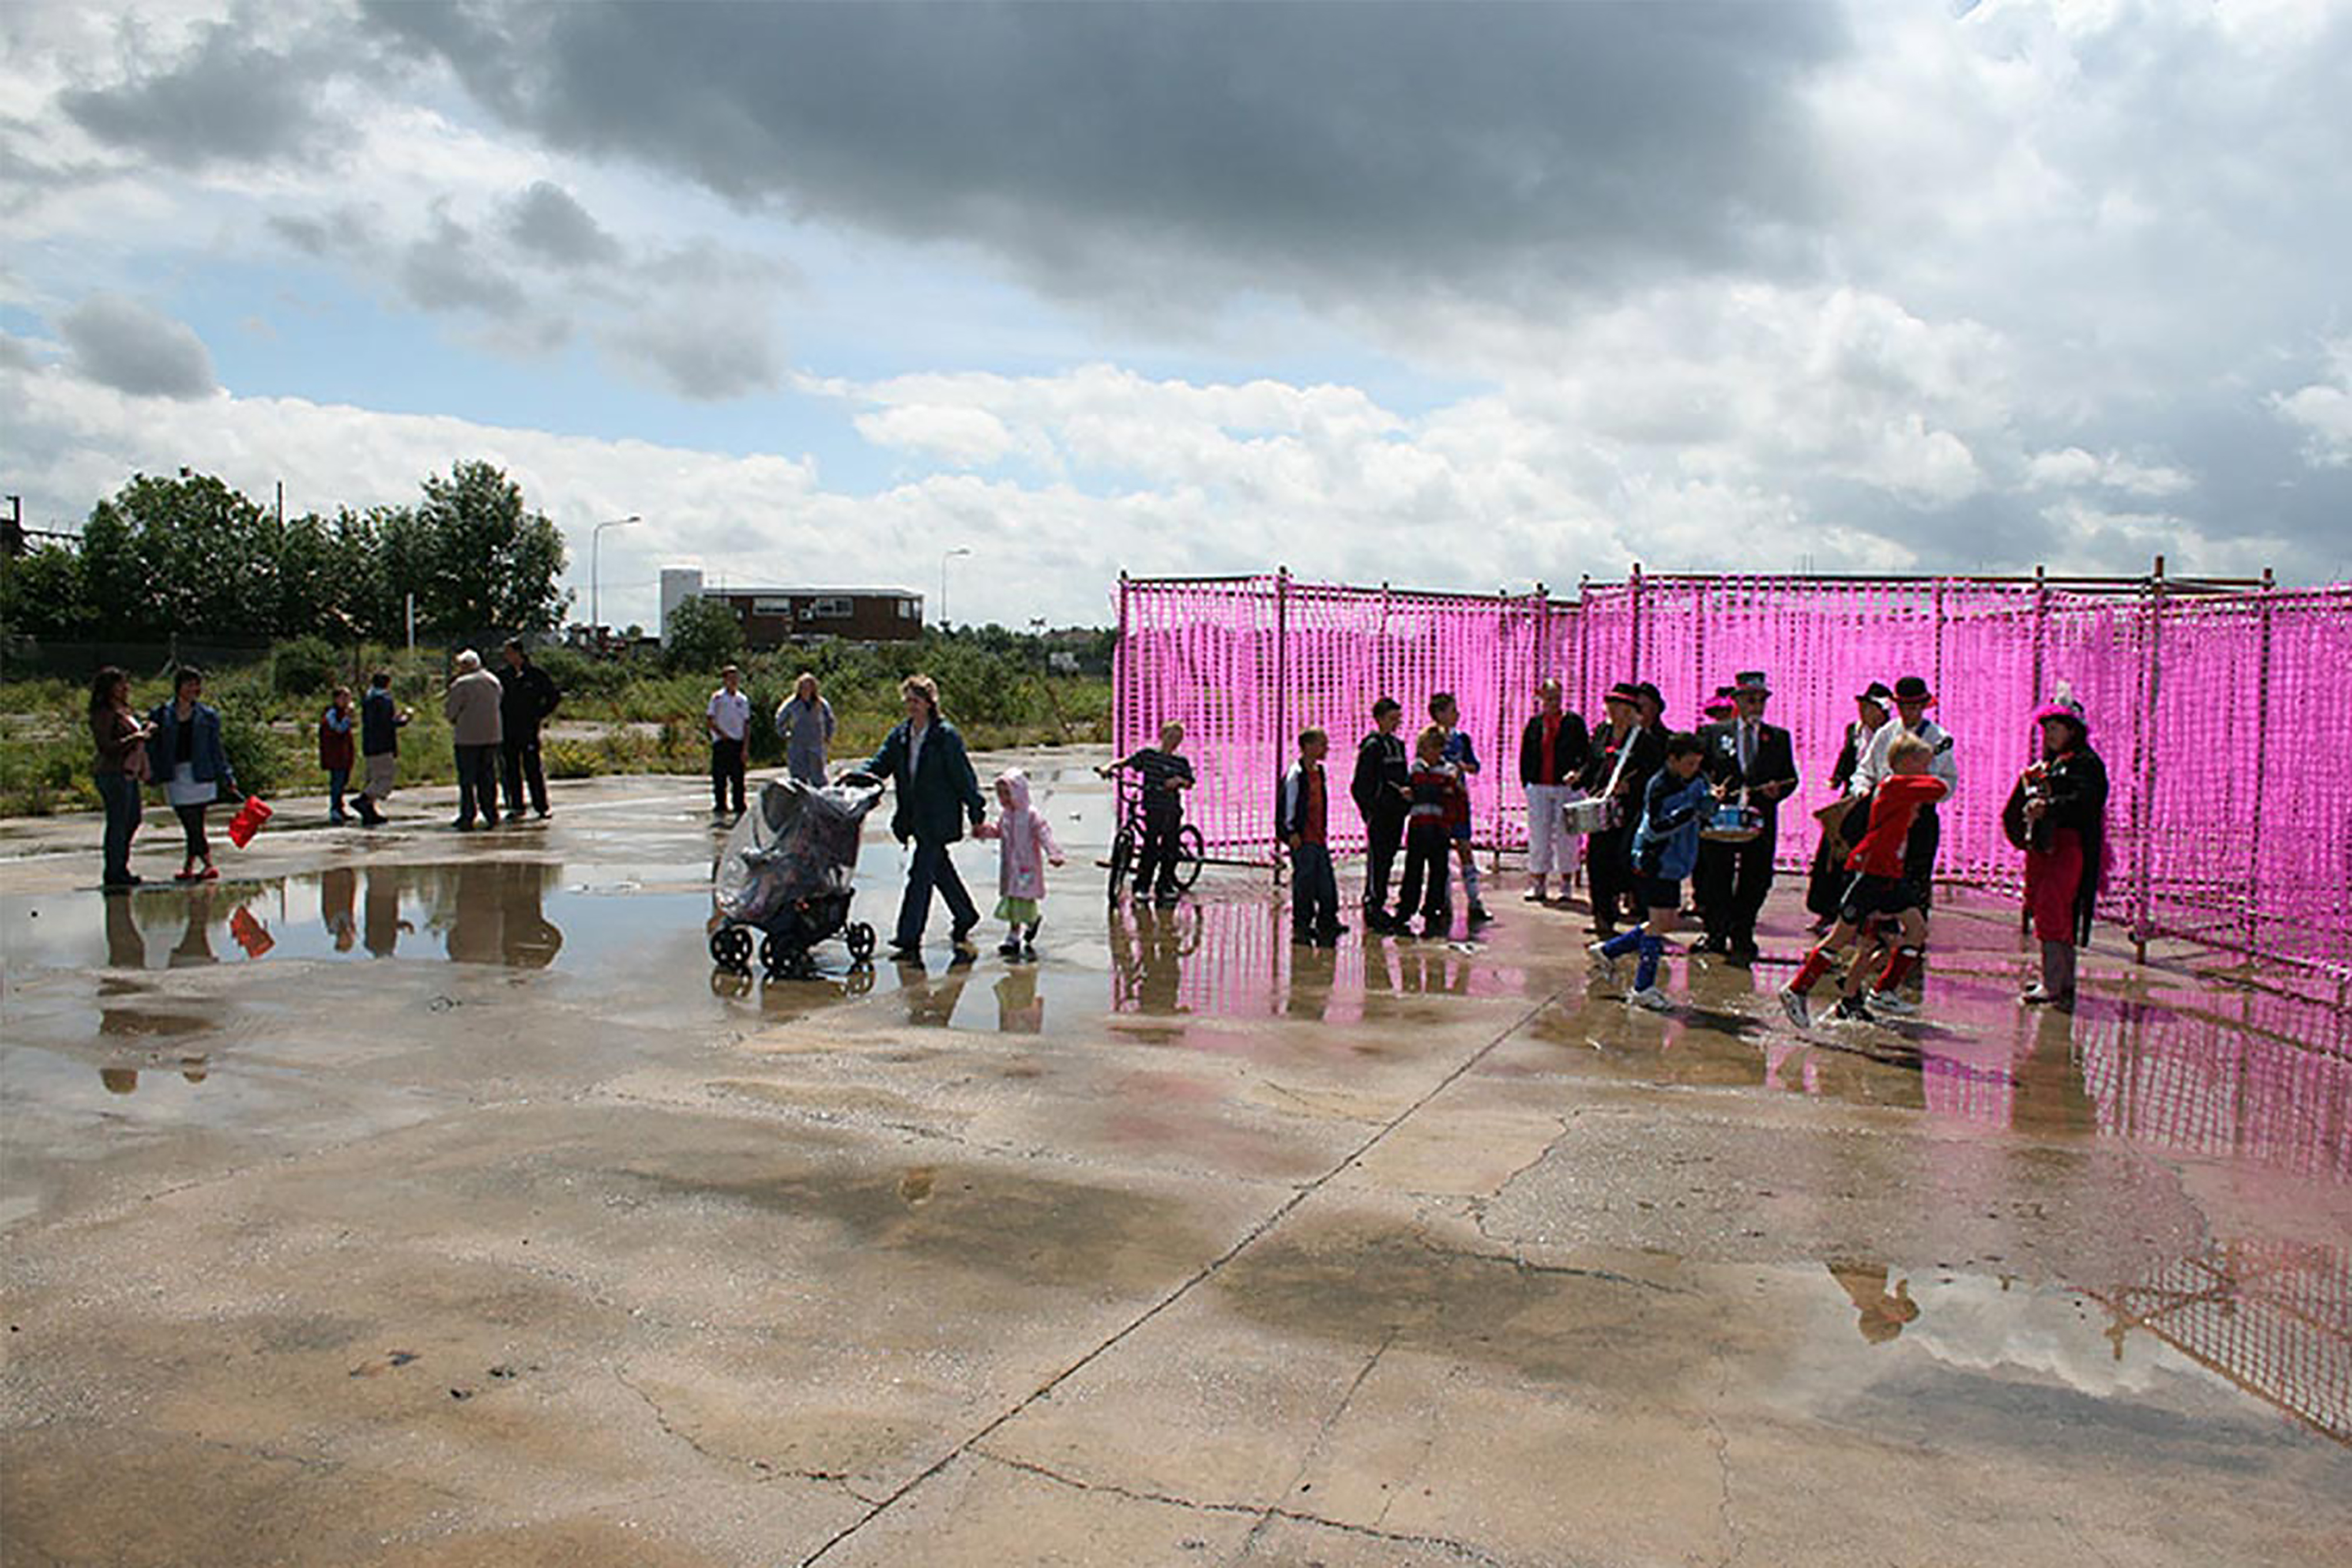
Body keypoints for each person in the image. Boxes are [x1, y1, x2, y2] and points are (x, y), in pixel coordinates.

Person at [1779, 733, 1949, 1029]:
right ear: (1907, 763)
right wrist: (1931, 765)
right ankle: (1797, 989)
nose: (1927, 768)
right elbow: (1939, 788)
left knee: (1912, 931)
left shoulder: (1904, 788)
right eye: (1922, 763)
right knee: (1843, 936)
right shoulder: (1894, 785)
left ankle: (1875, 993)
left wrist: (1927, 759)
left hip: (1890, 873)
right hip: (1869, 871)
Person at [861, 674, 987, 961]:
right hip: (914, 817)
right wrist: (858, 776)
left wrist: (976, 812)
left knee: (920, 874)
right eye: (907, 701)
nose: (911, 707)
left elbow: (964, 778)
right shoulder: (901, 735)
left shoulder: (946, 736)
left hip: (939, 817)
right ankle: (965, 914)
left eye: (916, 701)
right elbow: (880, 763)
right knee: (938, 869)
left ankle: (909, 936)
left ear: (930, 703)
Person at [1587, 732, 1712, 1010]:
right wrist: (1691, 812)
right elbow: (1656, 827)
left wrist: (1710, 806)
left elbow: (1704, 805)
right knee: (1659, 922)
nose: (1694, 769)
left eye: (1697, 763)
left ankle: (1610, 950)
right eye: (1689, 763)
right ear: (1673, 760)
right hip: (1656, 860)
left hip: (1678, 860)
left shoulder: (1698, 779)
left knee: (1666, 921)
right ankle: (1644, 985)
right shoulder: (1659, 786)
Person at [2005, 690, 2107, 1009]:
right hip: (2046, 848)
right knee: (2050, 910)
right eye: (2046, 728)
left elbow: (2087, 803)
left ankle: (2054, 983)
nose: (2049, 734)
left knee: (2054, 910)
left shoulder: (2087, 764)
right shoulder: (2053, 763)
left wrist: (2049, 806)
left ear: (2072, 730)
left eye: (2055, 727)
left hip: (2069, 849)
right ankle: (2061, 981)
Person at [1693, 670, 1798, 965]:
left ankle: (1743, 931)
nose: (1756, 705)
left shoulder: (1777, 738)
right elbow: (1698, 770)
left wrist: (1777, 790)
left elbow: (1791, 778)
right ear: (1737, 702)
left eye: (1760, 700)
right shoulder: (1714, 734)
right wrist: (1709, 789)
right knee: (1716, 876)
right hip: (1722, 819)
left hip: (1758, 820)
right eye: (1750, 700)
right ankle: (1715, 931)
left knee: (1758, 877)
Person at [1805, 682, 1893, 933]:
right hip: (1851, 797)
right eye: (1862, 707)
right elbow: (1848, 757)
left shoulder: (1890, 734)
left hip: (1878, 798)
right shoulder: (1854, 731)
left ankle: (1861, 916)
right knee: (1833, 851)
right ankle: (1826, 910)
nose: (1864, 712)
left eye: (1869, 708)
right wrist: (1837, 777)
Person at [1579, 681, 1665, 940]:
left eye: (1619, 706)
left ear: (1630, 711)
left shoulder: (1644, 740)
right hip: (1602, 809)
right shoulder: (1602, 734)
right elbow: (1592, 763)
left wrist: (1631, 786)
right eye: (1611, 705)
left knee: (1625, 861)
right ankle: (1602, 917)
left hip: (1630, 813)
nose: (1613, 711)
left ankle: (1639, 917)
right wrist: (1581, 777)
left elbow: (1655, 775)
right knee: (1597, 862)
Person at [148, 667, 238, 882]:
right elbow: (154, 746)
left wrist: (227, 775)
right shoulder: (161, 714)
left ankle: (202, 865)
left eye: (196, 685)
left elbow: (216, 748)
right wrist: (151, 771)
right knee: (189, 821)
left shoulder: (208, 716)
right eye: (189, 684)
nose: (194, 689)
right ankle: (197, 865)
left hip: (200, 772)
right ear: (179, 686)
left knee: (195, 822)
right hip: (175, 773)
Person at [973, 767, 1065, 957]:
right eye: (1000, 795)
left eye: (1008, 793)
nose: (1004, 799)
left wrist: (1053, 853)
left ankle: (1032, 922)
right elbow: (999, 831)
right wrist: (984, 831)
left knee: (1025, 899)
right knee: (1012, 900)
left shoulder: (1031, 815)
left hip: (1026, 866)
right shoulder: (1006, 815)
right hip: (1010, 866)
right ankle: (1013, 935)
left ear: (1019, 792)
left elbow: (1044, 834)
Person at [1101, 721, 1194, 906]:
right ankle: (1142, 886)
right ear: (1162, 735)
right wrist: (1109, 767)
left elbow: (1190, 783)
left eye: (1178, 738)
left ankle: (1165, 885)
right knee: (1150, 845)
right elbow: (1126, 762)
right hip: (1152, 805)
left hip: (1171, 807)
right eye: (1170, 737)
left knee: (1169, 846)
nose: (1173, 741)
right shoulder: (1148, 755)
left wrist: (1178, 781)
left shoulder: (1180, 762)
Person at [1519, 678, 1591, 905]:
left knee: (1567, 836)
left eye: (1557, 698)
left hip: (1566, 788)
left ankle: (1566, 882)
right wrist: (1528, 782)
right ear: (1541, 699)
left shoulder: (1574, 723)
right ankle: (1538, 881)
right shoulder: (1534, 724)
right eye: (1549, 698)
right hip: (1539, 786)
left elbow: (1586, 755)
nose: (1553, 702)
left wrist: (1578, 775)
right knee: (1539, 834)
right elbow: (1526, 753)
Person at [1395, 723, 1464, 940]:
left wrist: (1430, 792)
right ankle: (1406, 908)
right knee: (1413, 870)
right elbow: (1421, 791)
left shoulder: (1448, 770)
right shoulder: (1416, 769)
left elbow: (1451, 795)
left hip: (1440, 827)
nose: (1433, 752)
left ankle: (1432, 909)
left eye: (1437, 748)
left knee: (1438, 870)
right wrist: (1431, 791)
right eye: (1428, 748)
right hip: (1418, 826)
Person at [1278, 727, 1345, 947]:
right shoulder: (1296, 774)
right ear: (1308, 746)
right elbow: (1289, 805)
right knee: (1304, 883)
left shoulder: (1319, 772)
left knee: (1326, 882)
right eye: (1322, 744)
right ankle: (1302, 926)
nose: (1326, 748)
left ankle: (1328, 920)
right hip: (1303, 837)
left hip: (1318, 837)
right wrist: (1290, 832)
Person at [1429, 693, 1490, 925]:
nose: (1457, 715)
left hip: (1459, 799)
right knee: (1440, 851)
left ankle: (1475, 901)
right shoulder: (1430, 737)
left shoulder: (1462, 738)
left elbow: (1474, 766)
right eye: (1452, 710)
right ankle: (1442, 902)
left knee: (1465, 848)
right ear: (1439, 714)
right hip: (1439, 802)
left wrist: (1463, 766)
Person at [1351, 698, 1411, 931]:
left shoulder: (1398, 745)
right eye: (1392, 719)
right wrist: (1371, 811)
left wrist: (1406, 800)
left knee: (1388, 858)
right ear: (1379, 719)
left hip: (1396, 814)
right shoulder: (1372, 746)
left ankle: (1380, 904)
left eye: (1398, 718)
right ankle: (1372, 905)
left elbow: (1402, 777)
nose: (1396, 723)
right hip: (1380, 814)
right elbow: (1360, 785)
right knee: (1378, 859)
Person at [89, 665, 152, 891]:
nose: (125, 688)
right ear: (109, 688)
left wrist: (143, 731)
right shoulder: (104, 713)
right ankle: (115, 871)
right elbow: (105, 746)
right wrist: (136, 737)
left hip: (129, 773)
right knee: (118, 822)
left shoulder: (123, 710)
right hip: (112, 773)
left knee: (132, 819)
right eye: (120, 684)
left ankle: (120, 867)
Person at [497, 638, 560, 820]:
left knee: (532, 768)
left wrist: (539, 714)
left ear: (519, 653)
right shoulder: (503, 676)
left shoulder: (536, 675)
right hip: (508, 729)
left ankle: (541, 806)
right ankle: (516, 806)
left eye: (510, 653)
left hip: (528, 729)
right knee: (511, 769)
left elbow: (553, 696)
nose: (507, 657)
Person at [443, 650, 505, 830]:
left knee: (467, 780)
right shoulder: (493, 681)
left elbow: (451, 711)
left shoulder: (461, 685)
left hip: (467, 738)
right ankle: (491, 813)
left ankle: (468, 815)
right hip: (492, 736)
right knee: (488, 777)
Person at [352, 670, 411, 828]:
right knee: (385, 778)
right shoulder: (384, 700)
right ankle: (364, 800)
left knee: (372, 777)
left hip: (370, 744)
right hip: (383, 744)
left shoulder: (368, 699)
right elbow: (386, 723)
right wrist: (402, 720)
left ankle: (370, 812)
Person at [774, 671, 837, 787]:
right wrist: (785, 734)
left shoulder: (821, 703)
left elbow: (830, 720)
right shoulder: (792, 703)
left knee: (819, 778)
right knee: (798, 779)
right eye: (803, 686)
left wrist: (828, 736)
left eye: (810, 686)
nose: (807, 689)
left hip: (816, 744)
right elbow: (780, 719)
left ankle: (820, 803)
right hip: (798, 744)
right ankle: (799, 804)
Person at [706, 664, 752, 817]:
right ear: (724, 680)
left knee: (738, 778)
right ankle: (720, 806)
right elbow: (710, 720)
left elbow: (746, 723)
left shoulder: (742, 699)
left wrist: (745, 747)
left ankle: (739, 806)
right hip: (722, 742)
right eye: (730, 678)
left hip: (738, 743)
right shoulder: (718, 698)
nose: (733, 681)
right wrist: (722, 734)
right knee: (720, 778)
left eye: (736, 678)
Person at [319, 685, 356, 825]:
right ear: (336, 699)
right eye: (344, 697)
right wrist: (348, 717)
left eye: (349, 697)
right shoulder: (332, 714)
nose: (347, 700)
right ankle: (335, 810)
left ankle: (340, 809)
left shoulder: (341, 712)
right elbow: (338, 729)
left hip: (344, 754)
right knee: (337, 782)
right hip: (335, 754)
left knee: (343, 781)